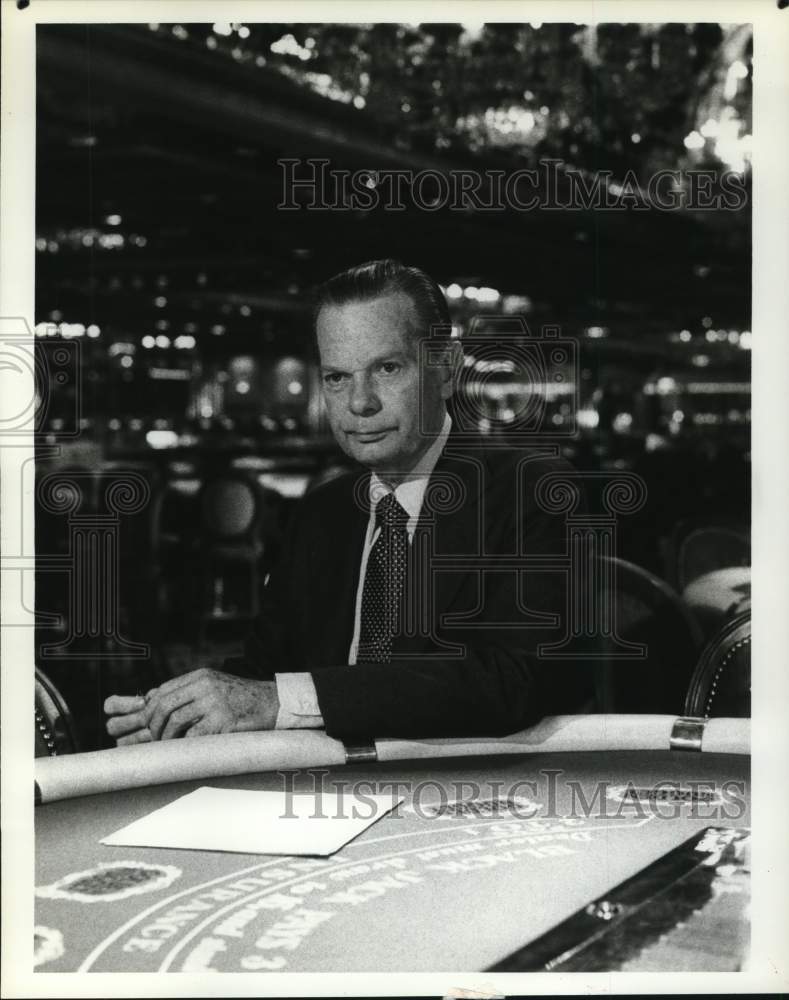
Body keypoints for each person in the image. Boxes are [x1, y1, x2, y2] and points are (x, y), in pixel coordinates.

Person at [105, 260, 590, 745]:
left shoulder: (533, 490)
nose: (360, 403)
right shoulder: (322, 513)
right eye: (337, 377)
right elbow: (266, 673)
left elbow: (514, 680)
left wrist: (289, 700)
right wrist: (184, 715)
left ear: (446, 368)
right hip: (322, 783)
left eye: (387, 368)